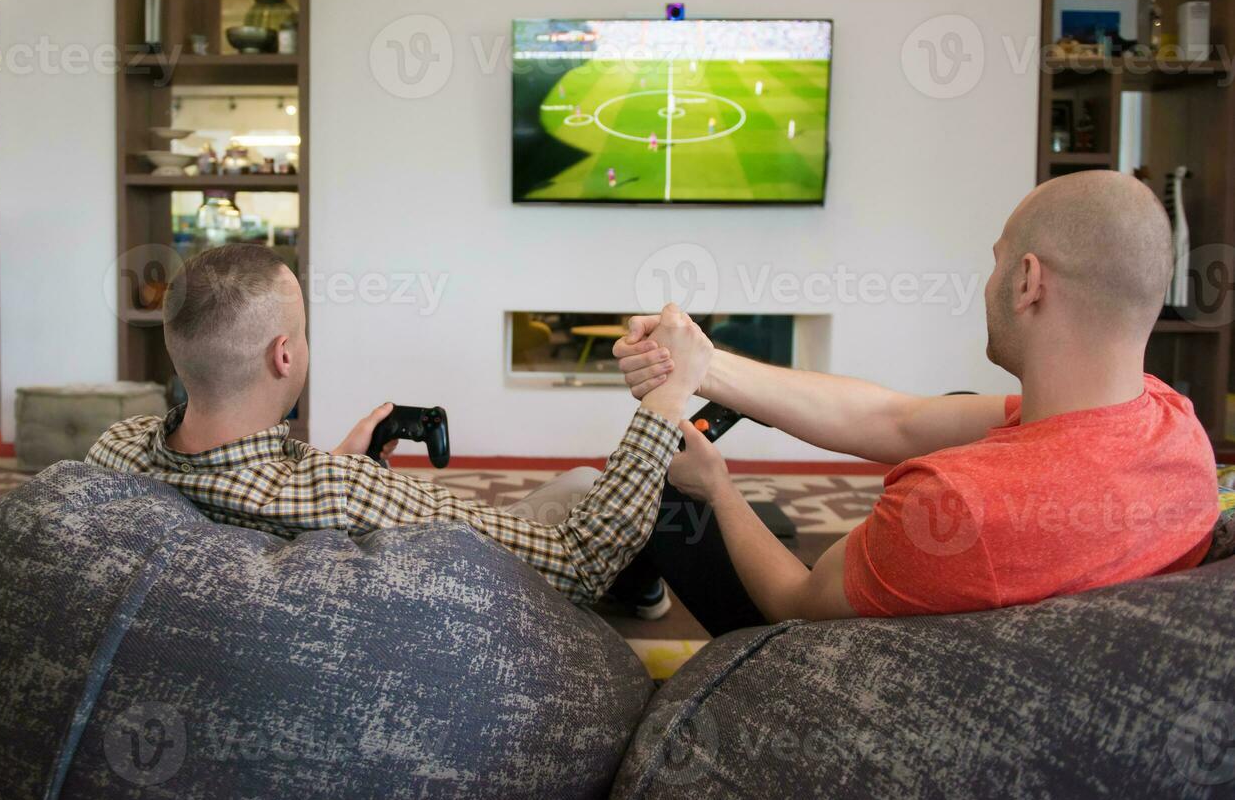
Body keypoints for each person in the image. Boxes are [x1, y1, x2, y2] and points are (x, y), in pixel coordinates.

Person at [610, 170, 1220, 635]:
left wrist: (715, 485)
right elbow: (897, 420)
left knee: (668, 481)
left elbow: (795, 603)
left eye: (997, 260)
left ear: (1030, 281)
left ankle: (632, 582)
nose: (988, 280)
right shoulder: (1175, 428)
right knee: (951, 409)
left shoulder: (955, 501)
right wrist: (703, 364)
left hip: (814, 659)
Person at [87, 244, 713, 608]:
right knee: (584, 490)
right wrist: (667, 397)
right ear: (284, 355)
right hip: (495, 612)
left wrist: (333, 459)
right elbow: (579, 563)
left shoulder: (114, 452)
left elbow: (248, 494)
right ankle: (643, 602)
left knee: (577, 485)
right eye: (303, 335)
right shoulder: (344, 491)